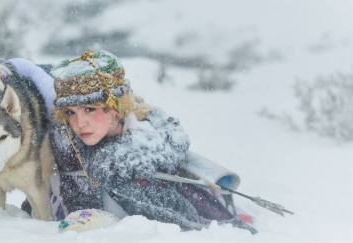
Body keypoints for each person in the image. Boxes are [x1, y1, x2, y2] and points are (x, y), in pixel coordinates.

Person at [45, 49, 249, 231]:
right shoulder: (66, 147)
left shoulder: (144, 155)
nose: (79, 123)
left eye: (90, 109)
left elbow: (187, 228)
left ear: (116, 108)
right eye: (70, 113)